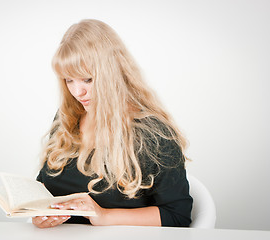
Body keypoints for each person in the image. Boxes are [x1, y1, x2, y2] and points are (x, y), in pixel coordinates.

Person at [32, 19, 193, 228]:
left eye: (87, 79)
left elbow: (177, 216)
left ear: (112, 74)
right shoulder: (68, 117)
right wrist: (38, 212)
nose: (77, 92)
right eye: (69, 80)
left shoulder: (155, 135)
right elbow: (44, 183)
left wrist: (105, 215)